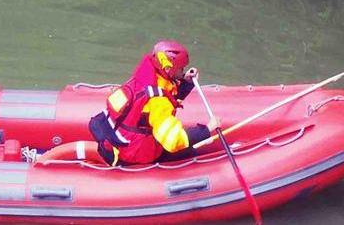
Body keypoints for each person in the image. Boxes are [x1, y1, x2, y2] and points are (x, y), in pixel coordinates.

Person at [34, 40, 219, 166]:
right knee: (189, 153)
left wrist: (185, 82)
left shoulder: (145, 76)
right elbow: (172, 141)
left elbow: (164, 94)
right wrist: (206, 129)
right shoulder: (158, 102)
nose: (182, 71)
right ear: (169, 68)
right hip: (135, 152)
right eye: (181, 69)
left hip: (120, 139)